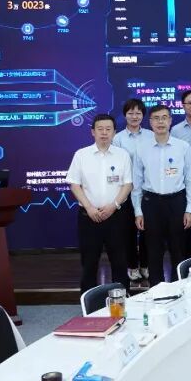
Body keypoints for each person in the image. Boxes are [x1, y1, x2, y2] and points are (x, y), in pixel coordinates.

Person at [66, 114, 132, 293]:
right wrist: (89, 208)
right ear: (92, 132)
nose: (104, 133)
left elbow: (127, 184)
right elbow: (74, 184)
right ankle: (89, 303)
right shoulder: (81, 155)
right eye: (100, 129)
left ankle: (123, 300)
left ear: (114, 132)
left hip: (116, 216)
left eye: (108, 129)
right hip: (89, 216)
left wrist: (113, 206)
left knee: (119, 262)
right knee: (89, 263)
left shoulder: (122, 155)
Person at [132, 104, 191, 285]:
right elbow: (136, 183)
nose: (160, 122)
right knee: (153, 251)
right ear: (150, 122)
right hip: (151, 203)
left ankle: (180, 289)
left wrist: (190, 209)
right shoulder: (142, 148)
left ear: (170, 121)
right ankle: (156, 291)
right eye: (156, 118)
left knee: (179, 250)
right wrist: (138, 211)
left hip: (177, 202)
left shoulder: (182, 147)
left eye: (164, 118)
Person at [113, 98, 154, 282]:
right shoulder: (118, 139)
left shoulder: (151, 136)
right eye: (131, 113)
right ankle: (132, 266)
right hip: (126, 190)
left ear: (143, 115)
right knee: (128, 231)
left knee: (148, 230)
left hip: (147, 190)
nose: (134, 116)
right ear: (125, 115)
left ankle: (145, 264)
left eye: (138, 113)